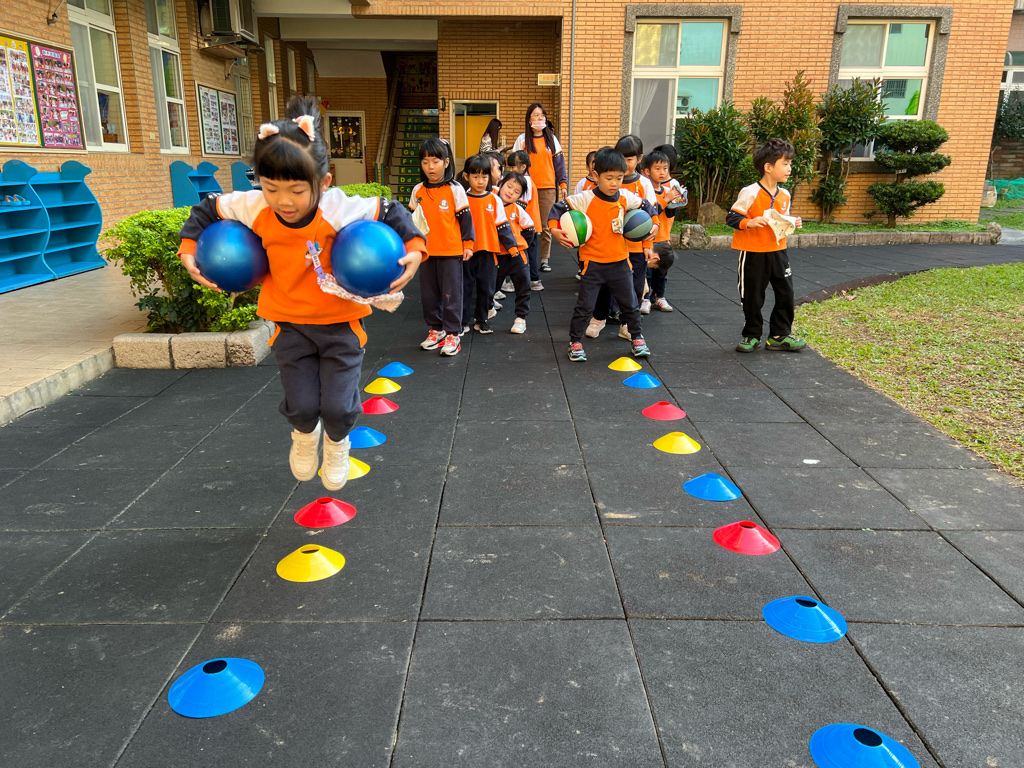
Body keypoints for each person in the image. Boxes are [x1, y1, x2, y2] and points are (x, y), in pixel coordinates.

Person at [177, 95, 424, 491]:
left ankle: (338, 444)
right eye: (271, 188)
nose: (283, 201)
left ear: (323, 183)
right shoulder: (255, 206)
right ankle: (304, 436)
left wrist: (414, 247)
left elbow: (391, 210)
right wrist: (189, 248)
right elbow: (207, 209)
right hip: (289, 324)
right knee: (303, 405)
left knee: (339, 406)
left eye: (296, 190)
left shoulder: (337, 207)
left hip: (340, 324)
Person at [549, 147, 657, 362]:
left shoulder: (625, 197)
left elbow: (647, 205)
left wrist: (654, 223)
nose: (615, 183)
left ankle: (637, 338)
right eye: (609, 178)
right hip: (593, 263)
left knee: (630, 304)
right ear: (596, 175)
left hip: (620, 262)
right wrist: (554, 229)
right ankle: (575, 342)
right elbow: (558, 209)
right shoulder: (585, 198)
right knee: (585, 305)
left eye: (619, 178)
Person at [726, 137, 806, 353]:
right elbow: (732, 217)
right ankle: (752, 335)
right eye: (785, 164)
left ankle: (779, 335)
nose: (789, 168)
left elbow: (781, 222)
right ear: (768, 167)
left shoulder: (785, 195)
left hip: (779, 252)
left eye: (790, 163)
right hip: (753, 254)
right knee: (752, 297)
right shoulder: (750, 192)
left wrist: (793, 222)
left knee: (786, 293)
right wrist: (749, 222)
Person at [587, 135, 657, 338]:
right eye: (622, 158)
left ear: (639, 159)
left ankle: (627, 324)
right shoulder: (605, 183)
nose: (625, 164)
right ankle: (599, 317)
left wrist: (648, 244)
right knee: (604, 286)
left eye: (630, 159)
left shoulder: (644, 184)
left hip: (635, 247)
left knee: (635, 287)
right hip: (609, 246)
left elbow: (651, 215)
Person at [409, 138, 473, 356]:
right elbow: (413, 222)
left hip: (451, 252)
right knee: (429, 295)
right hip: (427, 253)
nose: (430, 167)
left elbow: (466, 220)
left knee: (451, 295)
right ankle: (436, 330)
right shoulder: (418, 190)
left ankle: (453, 333)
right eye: (425, 162)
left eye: (435, 161)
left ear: (446, 162)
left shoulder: (455, 189)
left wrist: (468, 244)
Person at [460, 153, 519, 335]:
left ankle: (482, 319)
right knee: (465, 288)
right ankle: (463, 321)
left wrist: (512, 246)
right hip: (466, 252)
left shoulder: (494, 200)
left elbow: (502, 225)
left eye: (484, 177)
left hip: (488, 251)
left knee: (487, 288)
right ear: (466, 176)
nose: (480, 181)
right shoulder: (462, 199)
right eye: (475, 176)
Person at [512, 103, 567, 275]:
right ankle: (523, 256)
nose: (539, 118)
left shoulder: (552, 139)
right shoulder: (522, 139)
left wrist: (563, 184)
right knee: (523, 223)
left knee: (545, 225)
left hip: (547, 187)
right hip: (525, 187)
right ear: (529, 119)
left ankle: (544, 259)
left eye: (542, 115)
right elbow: (514, 163)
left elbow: (559, 164)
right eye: (536, 115)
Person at [641, 149, 683, 312]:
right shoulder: (646, 192)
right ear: (647, 171)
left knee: (662, 271)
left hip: (664, 238)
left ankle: (659, 297)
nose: (662, 172)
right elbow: (652, 212)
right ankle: (645, 298)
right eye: (657, 169)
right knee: (646, 271)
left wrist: (677, 200)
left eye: (665, 168)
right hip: (649, 239)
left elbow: (670, 213)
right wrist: (667, 200)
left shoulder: (667, 191)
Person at [494, 171, 535, 333]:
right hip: (498, 255)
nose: (510, 192)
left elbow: (529, 229)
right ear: (501, 185)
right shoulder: (491, 204)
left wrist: (521, 245)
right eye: (509, 186)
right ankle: (487, 308)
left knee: (523, 285)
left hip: (517, 255)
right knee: (492, 284)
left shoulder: (517, 209)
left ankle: (520, 318)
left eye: (516, 191)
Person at [505, 150, 544, 290]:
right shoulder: (527, 180)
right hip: (531, 223)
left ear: (523, 167)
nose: (511, 170)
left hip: (526, 225)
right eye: (509, 167)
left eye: (513, 167)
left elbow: (520, 204)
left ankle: (522, 281)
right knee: (530, 253)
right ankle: (534, 280)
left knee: (523, 255)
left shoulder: (524, 182)